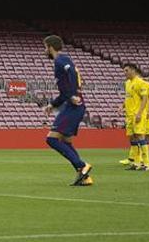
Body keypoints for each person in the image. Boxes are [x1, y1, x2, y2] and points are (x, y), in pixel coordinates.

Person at [42, 35, 93, 186]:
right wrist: (53, 104)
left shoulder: (60, 60)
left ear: (50, 47)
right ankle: (84, 177)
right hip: (73, 105)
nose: (45, 50)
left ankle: (82, 165)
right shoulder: (64, 60)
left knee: (51, 139)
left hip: (73, 106)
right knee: (66, 141)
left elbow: (70, 73)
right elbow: (64, 91)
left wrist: (72, 95)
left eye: (45, 47)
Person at [121, 64, 149, 171]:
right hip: (129, 115)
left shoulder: (141, 83)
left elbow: (145, 99)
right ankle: (136, 163)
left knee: (140, 136)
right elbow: (128, 97)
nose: (124, 73)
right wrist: (122, 106)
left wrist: (140, 113)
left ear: (133, 70)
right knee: (132, 138)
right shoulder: (127, 83)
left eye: (126, 70)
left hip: (137, 114)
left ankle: (146, 164)